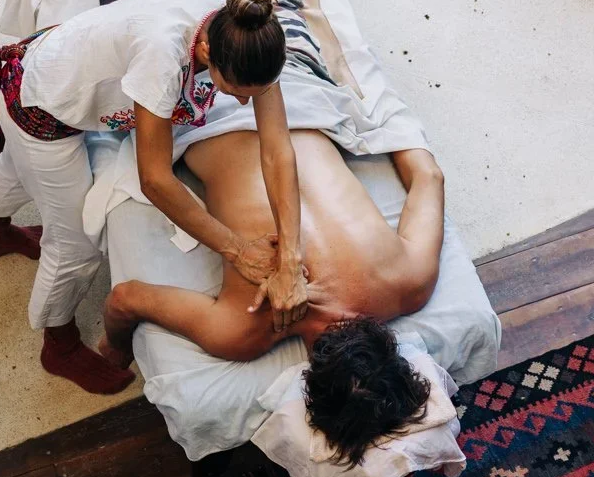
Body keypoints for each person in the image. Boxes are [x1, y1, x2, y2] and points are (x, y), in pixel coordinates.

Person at [0, 0, 309, 395]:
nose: (244, 102)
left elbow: (277, 150)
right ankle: (58, 344)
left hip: (57, 68)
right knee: (76, 244)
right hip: (39, 107)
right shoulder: (161, 55)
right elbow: (155, 180)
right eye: (235, 91)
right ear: (206, 50)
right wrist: (237, 250)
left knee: (20, 169)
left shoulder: (245, 32)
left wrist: (292, 256)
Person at [98, 125, 446, 455]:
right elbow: (124, 298)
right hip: (207, 115)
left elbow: (429, 176)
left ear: (393, 351)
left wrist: (365, 103)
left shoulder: (411, 283)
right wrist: (114, 347)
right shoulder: (243, 330)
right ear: (308, 384)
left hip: (300, 95)